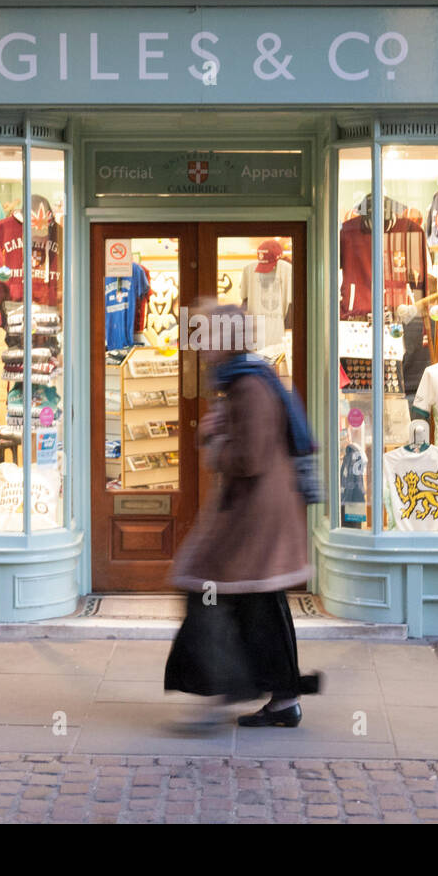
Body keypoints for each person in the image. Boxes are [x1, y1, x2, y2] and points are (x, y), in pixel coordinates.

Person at [164, 299, 321, 727]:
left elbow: (248, 459)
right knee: (255, 601)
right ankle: (276, 696)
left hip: (254, 519)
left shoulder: (247, 385)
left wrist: (215, 442)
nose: (200, 346)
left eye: (206, 336)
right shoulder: (243, 380)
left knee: (223, 593)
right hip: (258, 516)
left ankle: (240, 684)